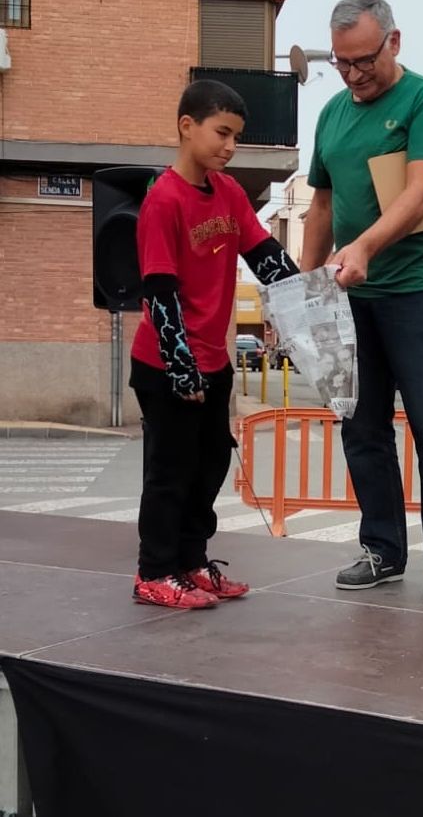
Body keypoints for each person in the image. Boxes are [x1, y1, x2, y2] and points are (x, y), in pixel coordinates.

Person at [300, 0, 423, 605]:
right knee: (361, 424)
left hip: (422, 287)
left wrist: (365, 248)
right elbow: (321, 202)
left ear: (394, 42)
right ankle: (382, 549)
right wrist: (306, 283)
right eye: (340, 63)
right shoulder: (332, 115)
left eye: (363, 61)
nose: (352, 75)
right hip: (350, 290)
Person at [130, 79, 299, 609]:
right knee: (170, 471)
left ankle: (190, 561)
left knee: (209, 469)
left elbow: (265, 253)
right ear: (188, 126)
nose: (230, 146)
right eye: (222, 133)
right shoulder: (163, 201)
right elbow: (159, 292)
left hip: (214, 360)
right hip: (166, 363)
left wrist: (310, 293)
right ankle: (154, 572)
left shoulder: (228, 193)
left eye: (237, 137)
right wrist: (183, 370)